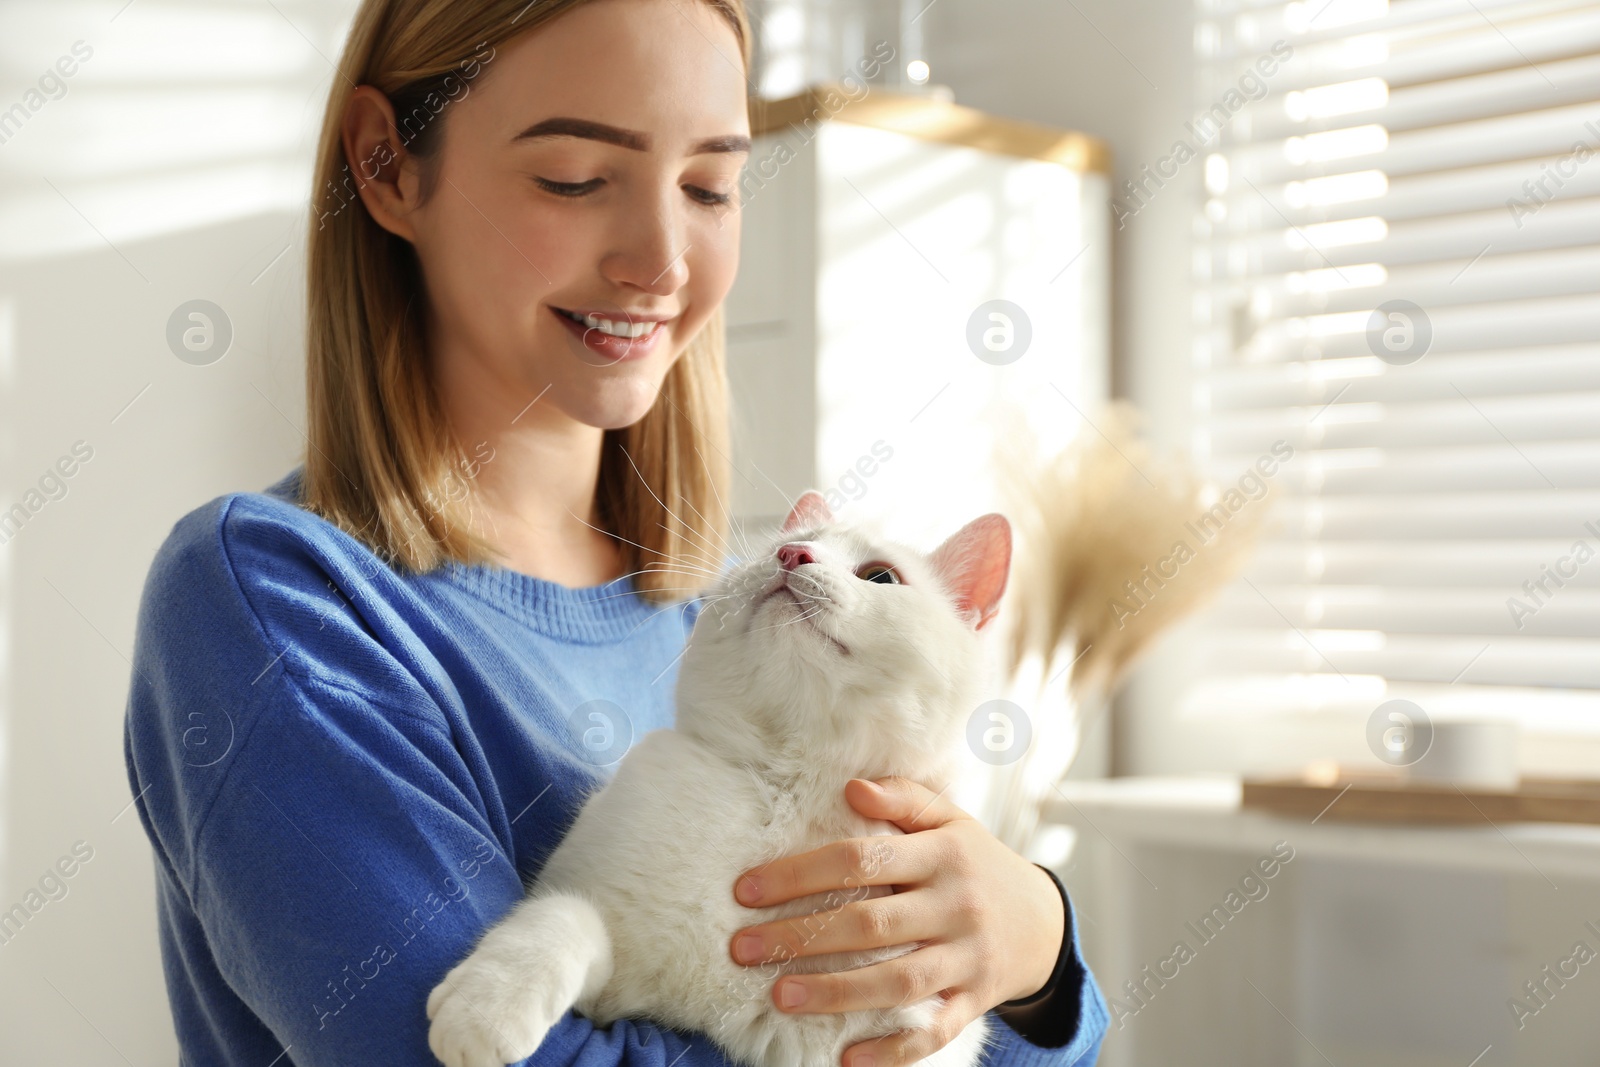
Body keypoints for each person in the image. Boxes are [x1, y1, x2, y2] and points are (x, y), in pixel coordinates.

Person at [121, 0, 1110, 1064]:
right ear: (388, 165)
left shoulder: (726, 627)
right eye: (575, 178)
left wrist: (1039, 955)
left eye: (709, 188)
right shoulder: (278, 601)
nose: (661, 259)